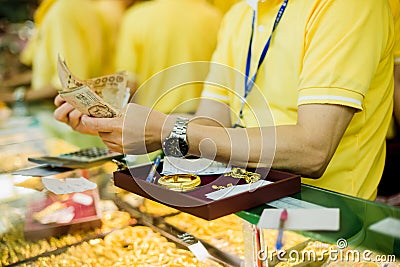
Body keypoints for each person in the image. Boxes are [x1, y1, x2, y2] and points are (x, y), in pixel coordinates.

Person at [54, 0, 394, 200]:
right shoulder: (238, 16)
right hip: (245, 201)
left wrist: (166, 129)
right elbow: (209, 125)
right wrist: (122, 123)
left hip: (327, 220)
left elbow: (313, 150)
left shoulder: (347, 6)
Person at [114, 0, 222, 114]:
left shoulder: (136, 17)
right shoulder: (215, 17)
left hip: (150, 119)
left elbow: (127, 84)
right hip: (199, 119)